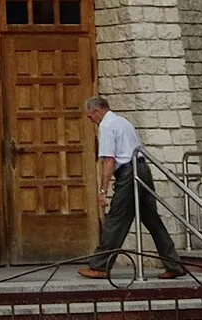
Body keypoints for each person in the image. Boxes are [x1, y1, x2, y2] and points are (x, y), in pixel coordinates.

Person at [78, 94, 187, 279]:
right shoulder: (123, 122)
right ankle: (173, 263)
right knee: (152, 219)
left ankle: (100, 266)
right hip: (142, 168)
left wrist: (103, 191)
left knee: (116, 219)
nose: (91, 120)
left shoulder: (106, 126)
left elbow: (109, 161)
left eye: (90, 116)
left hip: (128, 172)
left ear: (97, 111)